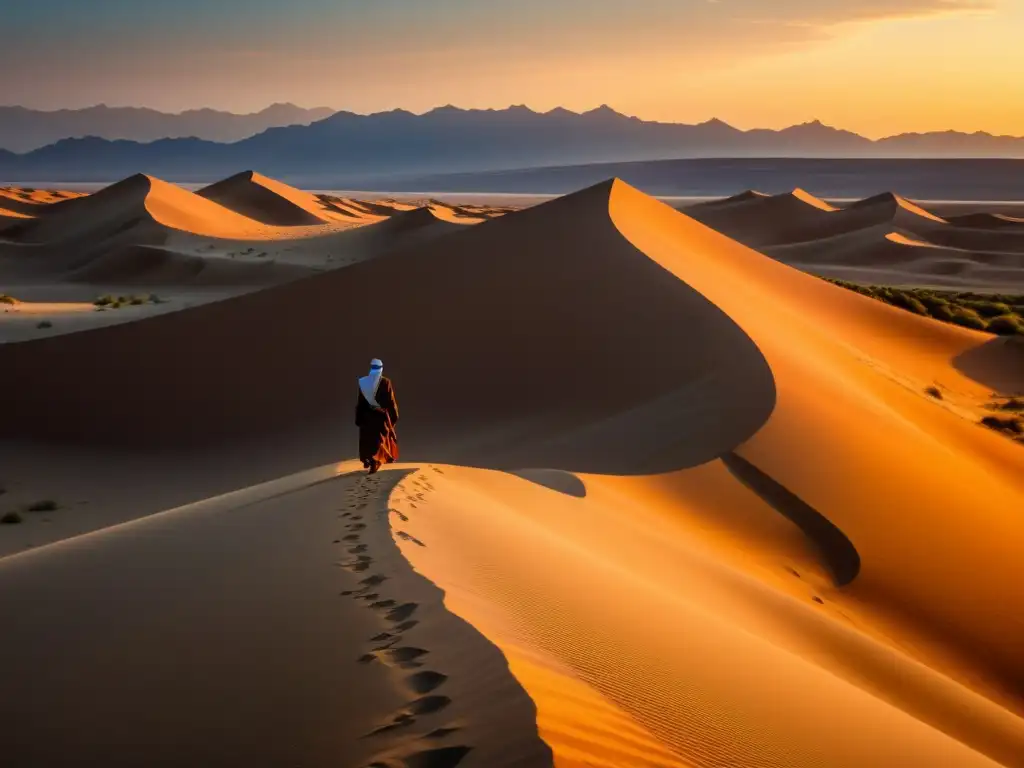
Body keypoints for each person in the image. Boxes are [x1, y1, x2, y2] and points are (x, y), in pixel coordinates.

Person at [355, 358, 399, 474]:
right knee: (378, 442)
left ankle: (369, 460)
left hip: (366, 418)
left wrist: (358, 418)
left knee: (368, 440)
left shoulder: (364, 382)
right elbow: (391, 402)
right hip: (380, 418)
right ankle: (374, 461)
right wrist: (394, 417)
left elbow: (360, 403)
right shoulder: (385, 382)